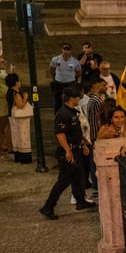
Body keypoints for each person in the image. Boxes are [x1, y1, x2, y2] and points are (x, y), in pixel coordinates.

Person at [39, 88, 95, 219]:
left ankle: (80, 201)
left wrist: (83, 144)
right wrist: (67, 151)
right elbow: (60, 134)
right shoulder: (63, 114)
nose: (78, 99)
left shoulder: (72, 112)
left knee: (78, 177)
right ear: (71, 98)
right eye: (77, 97)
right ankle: (48, 207)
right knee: (63, 181)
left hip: (76, 149)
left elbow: (76, 132)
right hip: (68, 151)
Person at [6, 73, 33, 163]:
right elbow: (20, 105)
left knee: (16, 136)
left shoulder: (9, 92)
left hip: (12, 116)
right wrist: (25, 97)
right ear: (16, 82)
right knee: (23, 136)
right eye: (19, 80)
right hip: (20, 118)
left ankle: (18, 155)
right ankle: (25, 157)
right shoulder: (16, 93)